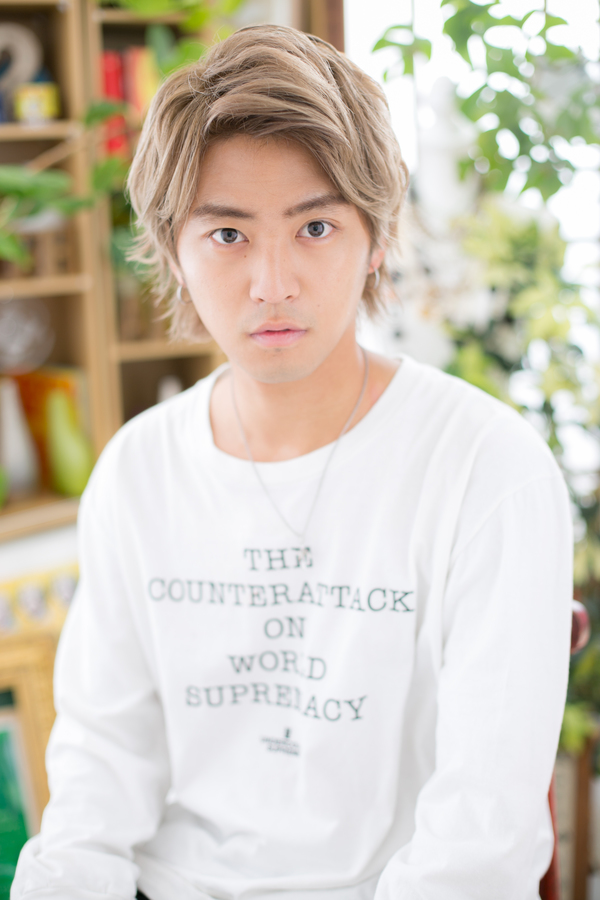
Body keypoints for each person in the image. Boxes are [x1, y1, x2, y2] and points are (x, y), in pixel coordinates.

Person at [12, 24, 572, 900]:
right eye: (227, 235)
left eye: (314, 226)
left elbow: (481, 837)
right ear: (173, 249)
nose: (272, 283)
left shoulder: (487, 469)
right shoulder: (136, 472)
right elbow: (97, 780)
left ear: (376, 237)